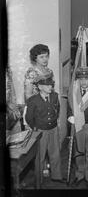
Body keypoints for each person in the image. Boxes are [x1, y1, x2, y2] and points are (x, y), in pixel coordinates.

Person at [25, 73, 63, 185]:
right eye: (47, 85)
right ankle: (39, 180)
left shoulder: (55, 96)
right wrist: (36, 128)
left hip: (53, 129)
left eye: (51, 85)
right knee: (39, 157)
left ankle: (57, 176)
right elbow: (29, 118)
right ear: (40, 87)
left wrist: (55, 122)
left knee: (55, 153)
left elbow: (57, 109)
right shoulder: (33, 100)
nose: (50, 87)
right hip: (40, 131)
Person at [24, 44, 54, 176]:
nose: (45, 59)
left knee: (47, 139)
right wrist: (40, 103)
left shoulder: (49, 71)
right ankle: (37, 168)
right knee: (37, 141)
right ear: (35, 58)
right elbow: (28, 95)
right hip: (35, 110)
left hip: (47, 109)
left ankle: (46, 164)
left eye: (46, 56)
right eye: (41, 57)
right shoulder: (31, 72)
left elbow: (51, 91)